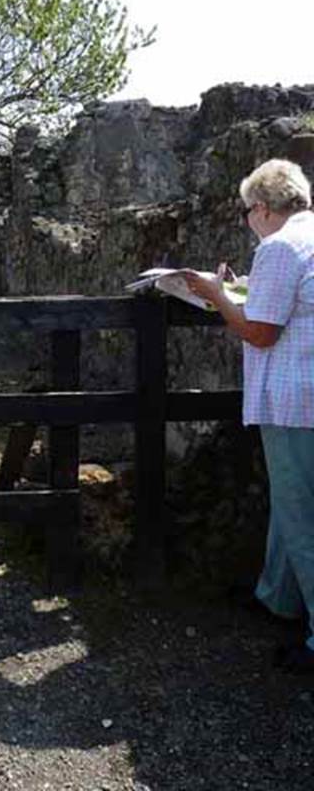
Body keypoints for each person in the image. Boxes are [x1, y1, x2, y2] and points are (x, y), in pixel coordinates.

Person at [185, 158, 314, 675]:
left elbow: (261, 332)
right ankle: (278, 598)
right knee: (293, 508)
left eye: (247, 213)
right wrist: (244, 289)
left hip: (296, 402)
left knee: (302, 516)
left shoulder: (280, 246)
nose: (248, 222)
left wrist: (216, 295)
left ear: (261, 208)